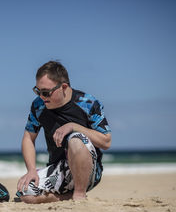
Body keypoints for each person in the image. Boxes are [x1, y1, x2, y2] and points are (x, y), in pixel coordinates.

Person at [16, 61, 111, 203]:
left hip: (89, 170)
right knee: (25, 193)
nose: (42, 97)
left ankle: (79, 194)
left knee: (76, 139)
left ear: (64, 87)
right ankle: (67, 197)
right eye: (38, 91)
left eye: (46, 92)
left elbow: (106, 141)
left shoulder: (88, 103)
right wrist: (31, 170)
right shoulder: (39, 106)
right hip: (59, 169)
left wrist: (74, 126)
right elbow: (28, 137)